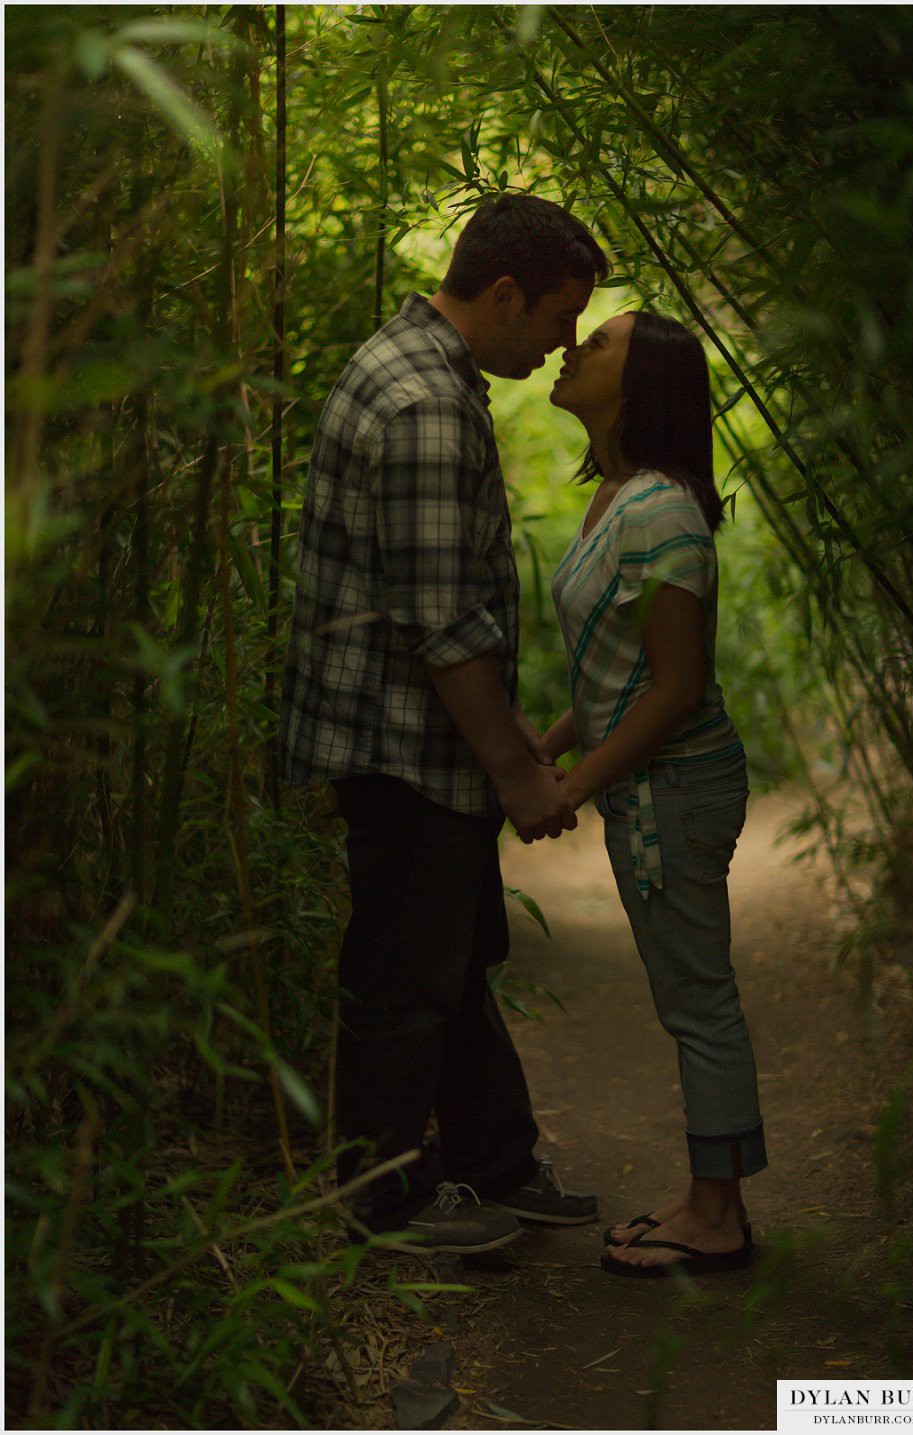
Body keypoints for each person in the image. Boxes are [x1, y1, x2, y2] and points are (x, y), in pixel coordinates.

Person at [280, 195, 608, 1254]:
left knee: (452, 958)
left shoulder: (418, 369)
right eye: (560, 317)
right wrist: (516, 770)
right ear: (504, 293)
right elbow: (440, 626)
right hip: (402, 747)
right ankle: (381, 1201)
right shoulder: (423, 402)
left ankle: (492, 1161)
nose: (563, 343)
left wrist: (509, 750)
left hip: (414, 740)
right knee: (405, 976)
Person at [541, 309, 767, 1277]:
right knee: (691, 997)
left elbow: (675, 689)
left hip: (674, 789)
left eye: (599, 343)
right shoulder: (620, 499)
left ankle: (719, 1217)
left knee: (699, 1001)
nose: (572, 346)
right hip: (648, 787)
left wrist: (570, 785)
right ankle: (705, 1196)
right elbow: (621, 673)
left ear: (644, 385)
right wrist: (543, 741)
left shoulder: (663, 511)